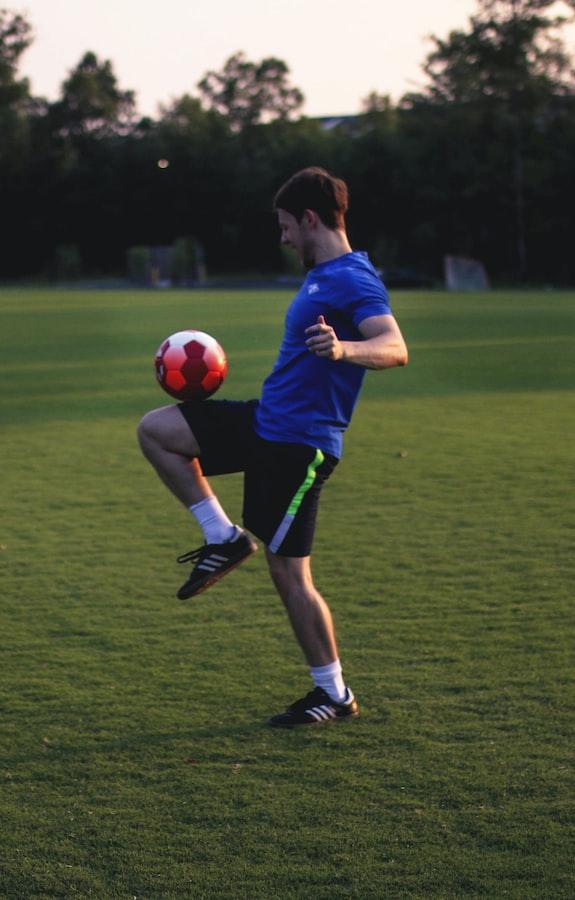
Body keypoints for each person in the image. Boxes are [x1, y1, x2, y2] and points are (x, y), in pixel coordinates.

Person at [136, 166, 409, 727]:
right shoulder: (319, 276)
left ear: (310, 219)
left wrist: (343, 351)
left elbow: (394, 346)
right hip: (267, 421)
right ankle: (223, 537)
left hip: (299, 445)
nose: (283, 237)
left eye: (286, 225)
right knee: (157, 431)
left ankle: (333, 694)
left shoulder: (354, 278)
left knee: (290, 575)